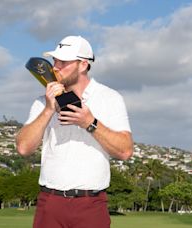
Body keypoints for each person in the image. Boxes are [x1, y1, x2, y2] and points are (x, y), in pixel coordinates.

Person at [16, 35, 133, 228]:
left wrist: (89, 122)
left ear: (83, 65)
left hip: (91, 204)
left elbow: (125, 151)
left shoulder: (110, 98)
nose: (55, 67)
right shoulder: (42, 101)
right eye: (55, 61)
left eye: (64, 62)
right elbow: (23, 148)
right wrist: (48, 109)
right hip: (50, 202)